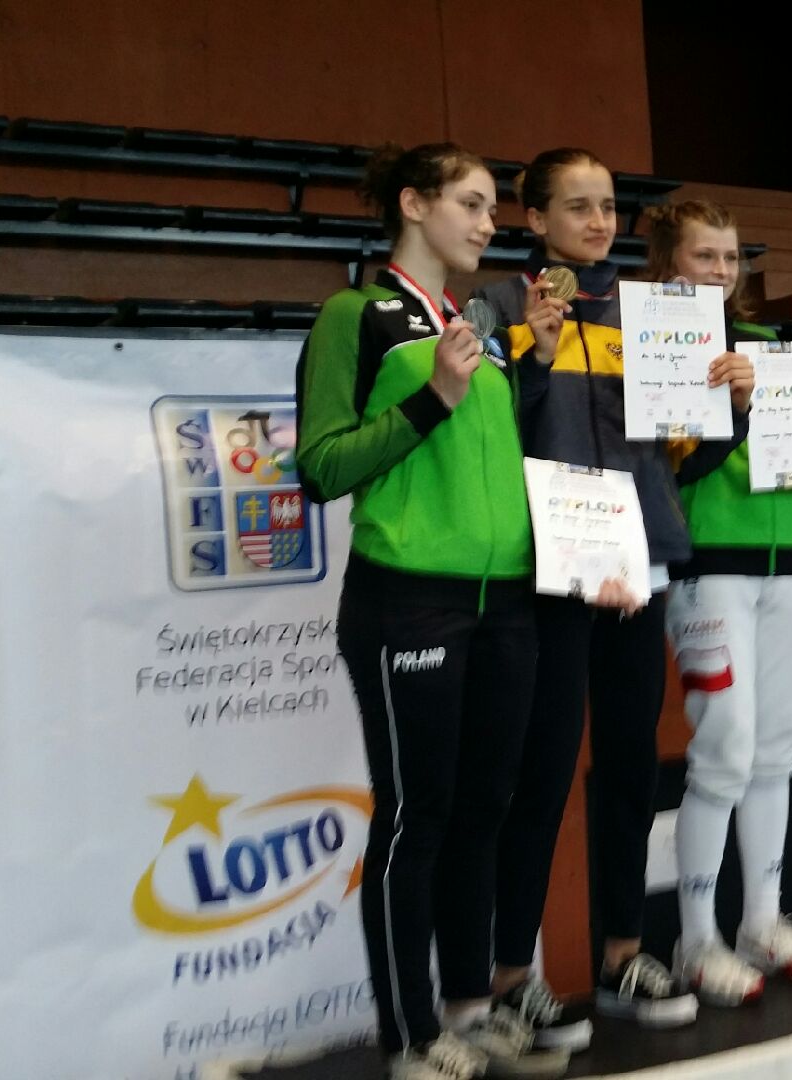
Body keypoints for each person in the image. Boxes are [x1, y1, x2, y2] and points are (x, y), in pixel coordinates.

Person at [471, 152, 753, 1042]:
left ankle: (623, 955)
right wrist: (532, 354)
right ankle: (511, 976)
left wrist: (730, 408)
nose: (598, 222)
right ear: (534, 218)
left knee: (632, 768)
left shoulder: (652, 313)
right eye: (577, 207)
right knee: (541, 772)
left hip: (641, 565)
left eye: (607, 207)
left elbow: (682, 460)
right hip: (550, 573)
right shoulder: (498, 306)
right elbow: (484, 439)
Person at [300, 143, 567, 1080]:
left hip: (506, 603)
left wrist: (531, 366)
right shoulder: (355, 315)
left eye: (492, 207)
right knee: (418, 818)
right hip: (408, 602)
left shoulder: (475, 324)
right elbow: (322, 467)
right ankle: (410, 1036)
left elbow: (494, 459)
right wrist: (434, 397)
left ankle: (467, 1007)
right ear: (413, 204)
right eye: (472, 203)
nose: (490, 223)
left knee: (483, 811)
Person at [654, 199, 792, 1005]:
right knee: (726, 746)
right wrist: (735, 411)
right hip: (708, 568)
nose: (720, 270)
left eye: (730, 257)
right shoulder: (659, 342)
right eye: (703, 256)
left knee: (778, 749)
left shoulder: (773, 346)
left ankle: (761, 920)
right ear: (668, 264)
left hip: (788, 566)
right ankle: (695, 941)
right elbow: (669, 468)